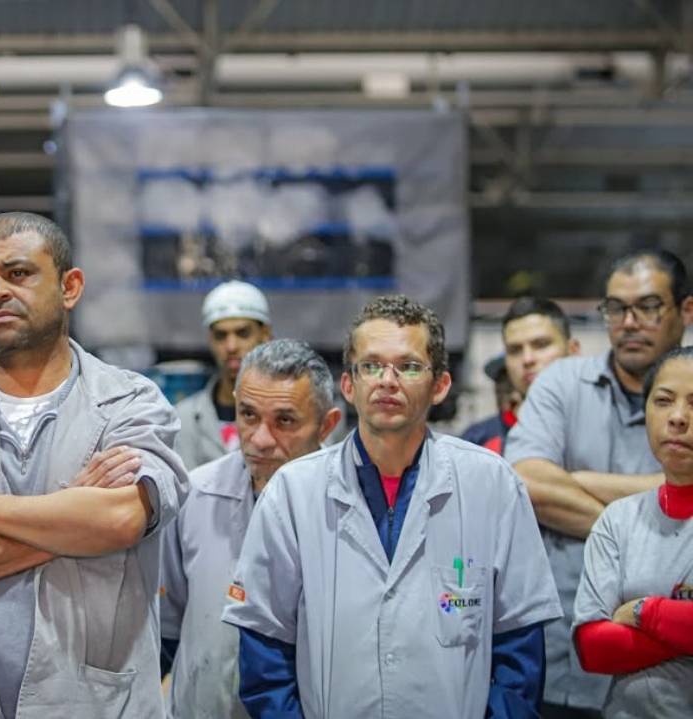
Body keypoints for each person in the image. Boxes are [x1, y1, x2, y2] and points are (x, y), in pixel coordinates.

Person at [0, 212, 187, 718]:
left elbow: (119, 520)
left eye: (18, 273)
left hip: (94, 704)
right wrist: (68, 520)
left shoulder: (130, 402)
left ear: (70, 287)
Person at [223, 294, 561, 719]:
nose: (387, 380)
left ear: (440, 386)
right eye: (371, 365)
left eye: (409, 366)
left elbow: (519, 649)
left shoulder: (492, 484)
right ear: (349, 385)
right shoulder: (292, 493)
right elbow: (265, 654)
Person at [506, 250, 693, 718]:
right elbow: (526, 481)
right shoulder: (561, 383)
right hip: (564, 659)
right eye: (615, 308)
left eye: (648, 306)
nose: (629, 322)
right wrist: (640, 527)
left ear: (686, 310)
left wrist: (576, 480)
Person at [160, 339, 341, 719]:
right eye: (248, 415)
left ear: (327, 424)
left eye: (285, 421)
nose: (260, 439)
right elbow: (168, 630)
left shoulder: (347, 512)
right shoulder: (196, 494)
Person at [573, 347, 693, 718]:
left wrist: (646, 612)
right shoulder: (618, 520)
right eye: (663, 401)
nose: (678, 417)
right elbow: (593, 649)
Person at [173, 280, 272, 470]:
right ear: (210, 339)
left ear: (265, 334)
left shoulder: (291, 414)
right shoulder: (183, 419)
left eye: (243, 333)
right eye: (221, 336)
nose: (231, 346)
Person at [462, 297, 579, 454]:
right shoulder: (475, 444)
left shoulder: (604, 424)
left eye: (541, 344)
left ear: (573, 350)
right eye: (515, 350)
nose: (527, 359)